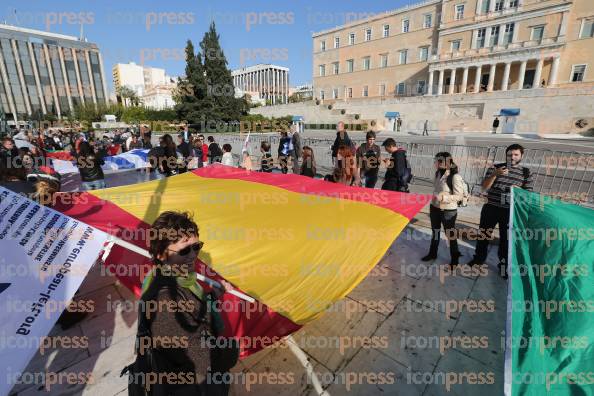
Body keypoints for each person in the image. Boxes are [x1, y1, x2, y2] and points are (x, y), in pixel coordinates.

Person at [131, 211, 239, 395]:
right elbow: (200, 357)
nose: (193, 255)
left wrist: (213, 296)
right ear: (161, 254)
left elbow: (193, 311)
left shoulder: (171, 276)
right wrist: (232, 350)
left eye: (196, 246)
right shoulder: (165, 301)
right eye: (184, 250)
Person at [468, 144, 533, 278]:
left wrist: (518, 190)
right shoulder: (495, 167)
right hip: (490, 208)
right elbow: (484, 188)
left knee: (506, 240)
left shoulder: (526, 172)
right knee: (483, 235)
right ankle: (478, 259)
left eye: (516, 155)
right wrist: (494, 175)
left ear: (521, 156)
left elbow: (529, 194)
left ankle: (503, 266)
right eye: (510, 154)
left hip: (509, 212)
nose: (512, 157)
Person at [422, 153, 464, 267]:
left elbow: (459, 196)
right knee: (435, 232)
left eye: (438, 161)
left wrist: (444, 198)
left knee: (450, 235)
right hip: (434, 207)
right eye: (436, 161)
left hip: (448, 211)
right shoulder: (438, 173)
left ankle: (454, 259)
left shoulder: (455, 177)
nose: (436, 163)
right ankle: (432, 253)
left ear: (447, 163)